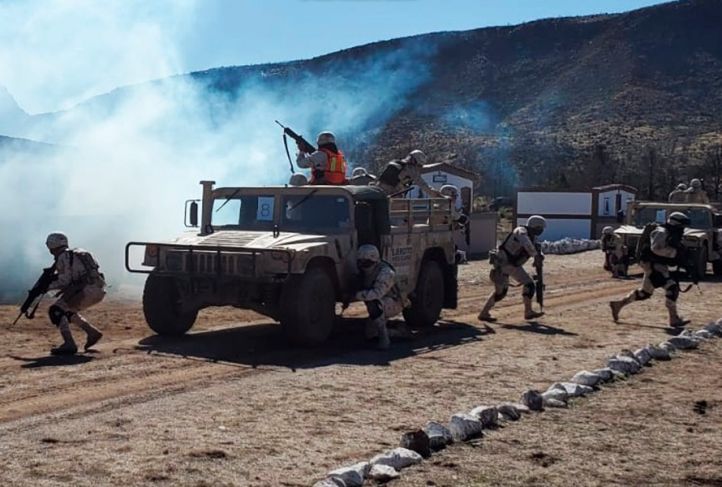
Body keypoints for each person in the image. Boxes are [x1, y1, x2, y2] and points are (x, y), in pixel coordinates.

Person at [609, 212, 691, 328]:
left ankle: (618, 305)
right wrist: (675, 253)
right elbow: (656, 249)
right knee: (671, 287)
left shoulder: (670, 232)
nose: (683, 229)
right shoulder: (661, 232)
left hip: (657, 264)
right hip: (652, 264)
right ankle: (673, 318)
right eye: (682, 226)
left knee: (644, 293)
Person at [44, 232, 106, 355]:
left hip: (86, 290)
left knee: (57, 310)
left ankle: (69, 343)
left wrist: (46, 287)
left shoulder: (63, 257)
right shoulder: (80, 252)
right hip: (98, 289)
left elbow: (65, 281)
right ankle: (92, 332)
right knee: (67, 310)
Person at [478, 215, 546, 322]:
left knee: (501, 292)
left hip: (510, 265)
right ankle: (528, 311)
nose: (541, 231)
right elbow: (526, 243)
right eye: (540, 228)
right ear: (535, 226)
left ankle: (484, 313)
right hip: (505, 263)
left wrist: (539, 255)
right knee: (527, 284)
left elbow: (535, 247)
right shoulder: (521, 231)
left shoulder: (531, 237)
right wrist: (535, 256)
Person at [351, 244, 406, 350]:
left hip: (394, 302)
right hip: (382, 302)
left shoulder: (386, 272)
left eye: (366, 262)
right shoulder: (363, 272)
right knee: (370, 334)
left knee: (374, 304)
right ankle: (398, 332)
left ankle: (385, 338)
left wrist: (357, 295)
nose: (363, 265)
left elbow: (377, 293)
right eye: (360, 262)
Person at [372, 150, 443, 197]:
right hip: (393, 194)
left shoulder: (396, 163)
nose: (419, 168)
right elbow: (424, 185)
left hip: (378, 190)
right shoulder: (411, 170)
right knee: (400, 210)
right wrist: (438, 195)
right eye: (419, 165)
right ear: (416, 161)